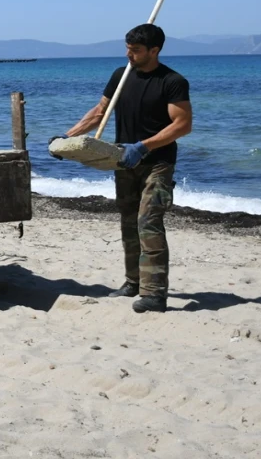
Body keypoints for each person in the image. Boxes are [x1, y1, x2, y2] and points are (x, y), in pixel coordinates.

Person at [57, 24, 192, 313]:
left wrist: (144, 146)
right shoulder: (121, 76)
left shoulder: (172, 81)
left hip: (157, 163)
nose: (129, 54)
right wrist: (67, 139)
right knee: (129, 223)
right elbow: (99, 112)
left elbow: (182, 124)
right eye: (127, 48)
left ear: (154, 51)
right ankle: (133, 282)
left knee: (149, 223)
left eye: (136, 50)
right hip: (122, 160)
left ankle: (155, 294)